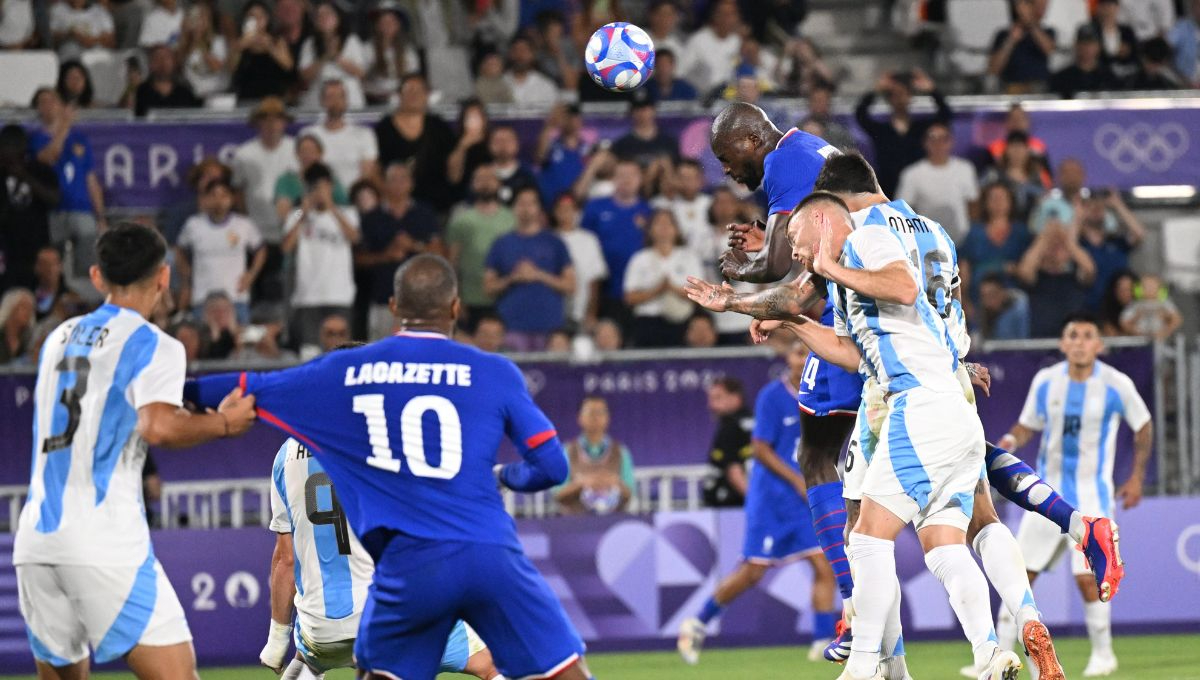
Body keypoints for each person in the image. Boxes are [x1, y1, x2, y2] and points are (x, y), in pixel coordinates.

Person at [184, 254, 594, 680]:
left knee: (381, 671)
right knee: (563, 672)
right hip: (490, 550)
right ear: (456, 308)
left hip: (413, 563)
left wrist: (182, 391)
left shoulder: (352, 372)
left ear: (394, 308)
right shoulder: (493, 371)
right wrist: (505, 477)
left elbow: (249, 386)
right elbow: (552, 467)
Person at [750, 193, 1020, 680]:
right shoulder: (929, 231)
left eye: (794, 238)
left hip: (901, 404)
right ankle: (991, 647)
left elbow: (895, 294)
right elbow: (934, 314)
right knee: (948, 543)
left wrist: (807, 278)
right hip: (953, 397)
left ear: (826, 214)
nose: (795, 251)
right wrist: (790, 310)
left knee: (867, 537)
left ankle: (865, 662)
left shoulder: (865, 240)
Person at [14, 223, 256, 678]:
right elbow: (157, 426)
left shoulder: (56, 339)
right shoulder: (155, 344)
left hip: (36, 539)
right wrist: (225, 423)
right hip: (103, 537)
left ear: (97, 276)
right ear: (164, 277)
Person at [261, 427, 500, 679]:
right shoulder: (377, 442)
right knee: (491, 665)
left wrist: (277, 639)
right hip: (388, 615)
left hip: (321, 629)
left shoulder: (284, 456)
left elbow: (285, 558)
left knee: (309, 658)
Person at [996, 313, 1150, 677]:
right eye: (1073, 335)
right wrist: (1010, 441)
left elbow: (1143, 426)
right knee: (1019, 573)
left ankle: (1103, 653)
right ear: (1063, 344)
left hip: (1092, 497)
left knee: (1087, 577)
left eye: (1087, 335)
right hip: (1045, 497)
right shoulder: (1047, 381)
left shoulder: (1117, 384)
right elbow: (1028, 423)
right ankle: (997, 654)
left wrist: (1137, 477)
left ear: (1099, 345)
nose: (1080, 342)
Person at [679, 340, 838, 665]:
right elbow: (761, 450)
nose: (804, 358)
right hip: (771, 499)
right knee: (753, 572)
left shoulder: (822, 394)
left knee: (824, 565)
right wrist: (796, 479)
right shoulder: (772, 397)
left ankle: (822, 640)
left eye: (811, 353)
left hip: (804, 499)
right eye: (797, 352)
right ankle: (696, 623)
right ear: (788, 358)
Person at [29, 88, 107, 292]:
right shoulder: (35, 139)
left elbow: (90, 178)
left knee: (87, 266)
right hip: (54, 211)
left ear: (61, 105)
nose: (48, 106)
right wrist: (65, 126)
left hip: (82, 209)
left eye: (52, 100)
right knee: (55, 267)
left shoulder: (80, 139)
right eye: (43, 102)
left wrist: (100, 215)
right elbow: (49, 157)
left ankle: (85, 305)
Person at [483, 186, 574, 351]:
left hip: (549, 328)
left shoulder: (555, 242)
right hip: (511, 327)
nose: (526, 208)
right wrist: (513, 278)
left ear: (539, 208)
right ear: (514, 208)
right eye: (521, 203)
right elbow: (488, 287)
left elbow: (570, 285)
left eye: (531, 203)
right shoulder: (501, 243)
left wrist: (538, 274)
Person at [357, 164, 442, 341]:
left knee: (420, 352)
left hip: (420, 303)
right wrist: (386, 255)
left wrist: (414, 246)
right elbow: (359, 259)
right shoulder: (372, 217)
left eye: (403, 179)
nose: (398, 184)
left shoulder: (424, 214)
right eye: (392, 180)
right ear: (384, 184)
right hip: (384, 300)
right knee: (380, 352)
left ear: (411, 183)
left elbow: (439, 253)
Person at [281, 163, 359, 351]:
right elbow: (286, 247)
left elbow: (354, 237)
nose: (320, 192)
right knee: (309, 351)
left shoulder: (347, 212)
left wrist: (331, 207)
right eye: (315, 188)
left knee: (342, 351)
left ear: (331, 187)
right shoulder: (296, 214)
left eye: (324, 187)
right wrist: (304, 212)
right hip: (308, 297)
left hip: (340, 294)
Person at [231, 97, 297, 299]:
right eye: (265, 120)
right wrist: (247, 225)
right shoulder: (245, 154)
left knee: (288, 288)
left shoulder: (295, 149)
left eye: (276, 119)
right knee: (257, 290)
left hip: (289, 231)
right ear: (258, 123)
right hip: (257, 232)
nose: (271, 125)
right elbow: (239, 192)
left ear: (284, 122)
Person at [175, 178, 266, 325]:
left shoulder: (243, 225)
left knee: (238, 342)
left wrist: (251, 275)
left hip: (236, 297)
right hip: (202, 298)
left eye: (223, 195)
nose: (218, 200)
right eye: (213, 195)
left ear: (231, 199)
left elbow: (260, 250)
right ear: (206, 199)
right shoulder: (194, 225)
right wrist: (186, 276)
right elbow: (179, 250)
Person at [853, 69, 951, 197]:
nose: (900, 98)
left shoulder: (920, 129)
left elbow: (945, 115)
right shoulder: (882, 130)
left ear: (910, 97)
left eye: (904, 94)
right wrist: (875, 90)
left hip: (919, 190)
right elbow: (861, 115)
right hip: (887, 190)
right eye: (895, 94)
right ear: (889, 99)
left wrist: (932, 90)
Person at [581, 159, 654, 321]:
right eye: (621, 175)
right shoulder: (595, 207)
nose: (626, 179)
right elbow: (584, 245)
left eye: (631, 175)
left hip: (641, 290)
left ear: (640, 179)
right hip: (603, 289)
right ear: (613, 179)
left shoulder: (649, 211)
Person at [446, 164, 516, 329]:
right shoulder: (461, 220)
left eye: (490, 179)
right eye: (480, 179)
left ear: (499, 183)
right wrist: (456, 299)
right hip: (472, 299)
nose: (485, 184)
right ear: (472, 185)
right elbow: (451, 264)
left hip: (506, 297)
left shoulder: (512, 218)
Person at [375, 74, 458, 212]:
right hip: (396, 206)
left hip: (436, 204)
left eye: (419, 90)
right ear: (399, 95)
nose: (414, 95)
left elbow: (453, 169)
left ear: (427, 95)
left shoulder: (439, 126)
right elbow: (375, 168)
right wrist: (387, 197)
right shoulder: (384, 128)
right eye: (409, 90)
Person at [622, 209, 702, 347]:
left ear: (676, 229)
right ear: (650, 230)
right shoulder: (639, 259)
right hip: (648, 322)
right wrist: (657, 290)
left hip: (680, 321)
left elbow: (701, 293)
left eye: (668, 223)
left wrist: (672, 288)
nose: (663, 228)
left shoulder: (689, 257)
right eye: (658, 223)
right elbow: (629, 297)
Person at [895, 122, 979, 242]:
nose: (938, 144)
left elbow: (974, 204)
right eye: (933, 139)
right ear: (924, 143)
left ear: (951, 142)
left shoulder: (965, 168)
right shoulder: (912, 173)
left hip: (962, 240)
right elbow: (902, 210)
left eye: (943, 139)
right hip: (927, 241)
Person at [0, 124, 59, 294]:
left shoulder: (40, 170)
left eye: (11, 145)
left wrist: (25, 177)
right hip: (8, 247)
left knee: (39, 290)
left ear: (22, 147)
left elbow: (54, 199)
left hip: (37, 242)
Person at [1017, 216, 1096, 338]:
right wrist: (1044, 238)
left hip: (1074, 343)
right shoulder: (1037, 278)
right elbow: (1024, 271)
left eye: (1060, 246)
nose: (1056, 249)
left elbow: (1090, 269)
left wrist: (1067, 241)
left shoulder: (1075, 277)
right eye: (1052, 245)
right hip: (1041, 342)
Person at [555, 396, 636, 515]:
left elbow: (630, 493)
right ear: (580, 418)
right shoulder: (566, 451)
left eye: (600, 412)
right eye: (590, 413)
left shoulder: (621, 452)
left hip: (613, 523)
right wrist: (581, 483)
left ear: (608, 418)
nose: (595, 417)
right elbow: (557, 494)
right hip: (574, 525)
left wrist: (614, 482)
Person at [959, 183, 1032, 306]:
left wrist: (1013, 269)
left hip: (1010, 293)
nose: (998, 202)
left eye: (1002, 198)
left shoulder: (1021, 233)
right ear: (985, 203)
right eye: (993, 198)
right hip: (978, 294)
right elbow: (964, 268)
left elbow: (1027, 269)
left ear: (1011, 202)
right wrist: (965, 301)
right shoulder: (974, 233)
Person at [300, 80, 380, 191]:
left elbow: (367, 174)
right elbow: (304, 172)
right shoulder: (308, 134)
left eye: (340, 97)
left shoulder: (364, 134)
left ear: (346, 101)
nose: (335, 102)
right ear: (322, 101)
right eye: (330, 97)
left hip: (354, 199)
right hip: (317, 198)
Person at [1077, 190, 1145, 314]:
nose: (1096, 209)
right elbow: (1069, 240)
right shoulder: (1079, 244)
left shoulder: (1116, 242)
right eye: (1090, 206)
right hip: (1090, 307)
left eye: (1100, 207)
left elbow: (1139, 234)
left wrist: (1117, 205)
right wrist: (1078, 215)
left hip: (1121, 308)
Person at [552, 193, 606, 332]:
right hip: (554, 311)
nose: (566, 214)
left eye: (570, 209)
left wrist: (591, 313)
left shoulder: (589, 240)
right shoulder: (548, 239)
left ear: (577, 212)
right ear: (555, 213)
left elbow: (594, 281)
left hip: (581, 310)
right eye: (562, 209)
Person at [298, 1, 367, 109]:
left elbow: (360, 72)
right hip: (318, 99)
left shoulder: (351, 41)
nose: (323, 18)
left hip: (350, 98)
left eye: (328, 14)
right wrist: (324, 57)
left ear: (338, 18)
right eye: (319, 16)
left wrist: (336, 57)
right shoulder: (309, 44)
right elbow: (304, 76)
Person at [230, 1, 297, 102]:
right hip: (246, 100)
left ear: (267, 19)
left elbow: (289, 67)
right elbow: (231, 69)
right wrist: (240, 47)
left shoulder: (277, 41)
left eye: (260, 16)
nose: (257, 20)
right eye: (252, 16)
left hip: (274, 100)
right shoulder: (239, 43)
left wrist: (270, 47)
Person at [702, 377, 752, 508]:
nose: (711, 405)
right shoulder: (756, 421)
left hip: (731, 508)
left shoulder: (730, 426)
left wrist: (755, 503)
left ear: (736, 397)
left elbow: (734, 471)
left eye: (718, 398)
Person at [987, 0, 1057, 93]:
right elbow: (993, 69)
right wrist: (1010, 41)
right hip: (1011, 88)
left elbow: (1049, 50)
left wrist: (1031, 24)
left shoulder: (1047, 31)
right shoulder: (1003, 35)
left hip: (1038, 87)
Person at [979, 131, 1048, 223]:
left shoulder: (1036, 177)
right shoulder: (993, 175)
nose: (1017, 152)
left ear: (1027, 150)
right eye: (1013, 148)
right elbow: (979, 197)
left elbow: (1043, 199)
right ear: (1006, 150)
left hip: (1030, 225)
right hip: (1000, 226)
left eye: (1020, 148)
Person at [363, 1, 421, 104]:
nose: (387, 26)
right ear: (377, 26)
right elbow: (362, 77)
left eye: (391, 22)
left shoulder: (408, 51)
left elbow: (413, 78)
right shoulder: (367, 49)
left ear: (398, 25)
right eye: (383, 22)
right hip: (373, 100)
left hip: (401, 100)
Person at [681, 0, 743, 96]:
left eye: (731, 14)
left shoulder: (737, 41)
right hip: (702, 101)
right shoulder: (698, 40)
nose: (727, 19)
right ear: (714, 15)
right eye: (723, 14)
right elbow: (681, 73)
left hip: (730, 99)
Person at [536, 103, 587, 210]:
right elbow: (539, 157)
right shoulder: (552, 146)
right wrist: (550, 125)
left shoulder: (587, 149)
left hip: (577, 209)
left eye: (575, 116)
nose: (571, 120)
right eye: (567, 117)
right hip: (550, 208)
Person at [1049, 25, 1121, 99]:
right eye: (1083, 43)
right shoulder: (1061, 79)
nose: (1086, 48)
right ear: (1076, 46)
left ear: (1098, 46)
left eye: (1091, 44)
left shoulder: (1109, 78)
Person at [178, 2, 231, 98]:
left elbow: (216, 67)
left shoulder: (219, 41)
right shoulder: (185, 45)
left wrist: (200, 43)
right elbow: (178, 69)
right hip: (192, 95)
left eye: (202, 18)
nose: (198, 22)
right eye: (194, 18)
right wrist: (186, 37)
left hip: (218, 95)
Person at [611, 98, 681, 169]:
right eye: (637, 109)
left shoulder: (669, 141)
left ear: (653, 111)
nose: (642, 113)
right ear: (631, 113)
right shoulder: (622, 144)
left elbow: (677, 168)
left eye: (645, 109)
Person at [135, 43, 202, 117]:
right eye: (157, 58)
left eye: (166, 57)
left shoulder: (185, 93)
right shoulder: (140, 92)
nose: (162, 62)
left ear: (174, 62)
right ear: (150, 64)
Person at [1119, 274, 1183, 340]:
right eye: (1145, 286)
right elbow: (1124, 322)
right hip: (1139, 340)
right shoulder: (1136, 304)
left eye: (1152, 286)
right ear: (1138, 290)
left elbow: (1177, 319)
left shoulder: (1165, 303)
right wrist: (1135, 331)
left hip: (1160, 341)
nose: (1149, 289)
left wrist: (1166, 331)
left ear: (1161, 290)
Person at [488, 126, 539, 206]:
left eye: (508, 140)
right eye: (498, 141)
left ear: (517, 144)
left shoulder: (528, 175)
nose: (503, 145)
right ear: (490, 145)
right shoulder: (482, 175)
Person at [504, 35, 560, 107]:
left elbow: (556, 113)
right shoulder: (500, 83)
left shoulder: (546, 85)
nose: (520, 55)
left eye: (524, 51)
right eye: (516, 50)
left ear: (532, 55)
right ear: (510, 54)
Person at [49, 0, 115, 60]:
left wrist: (91, 40)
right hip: (69, 56)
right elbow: (50, 38)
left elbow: (111, 41)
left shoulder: (100, 11)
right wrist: (70, 35)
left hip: (96, 56)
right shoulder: (57, 9)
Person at [1093, 0, 1140, 82]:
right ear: (1098, 8)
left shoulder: (1127, 32)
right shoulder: (1093, 31)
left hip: (1125, 77)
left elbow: (1135, 56)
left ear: (1117, 8)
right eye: (1104, 7)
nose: (1108, 10)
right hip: (1099, 78)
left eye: (1111, 6)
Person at [976, 273, 1031, 341]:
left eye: (992, 295)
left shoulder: (1018, 311)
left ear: (1002, 293)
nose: (988, 301)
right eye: (984, 296)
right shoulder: (980, 315)